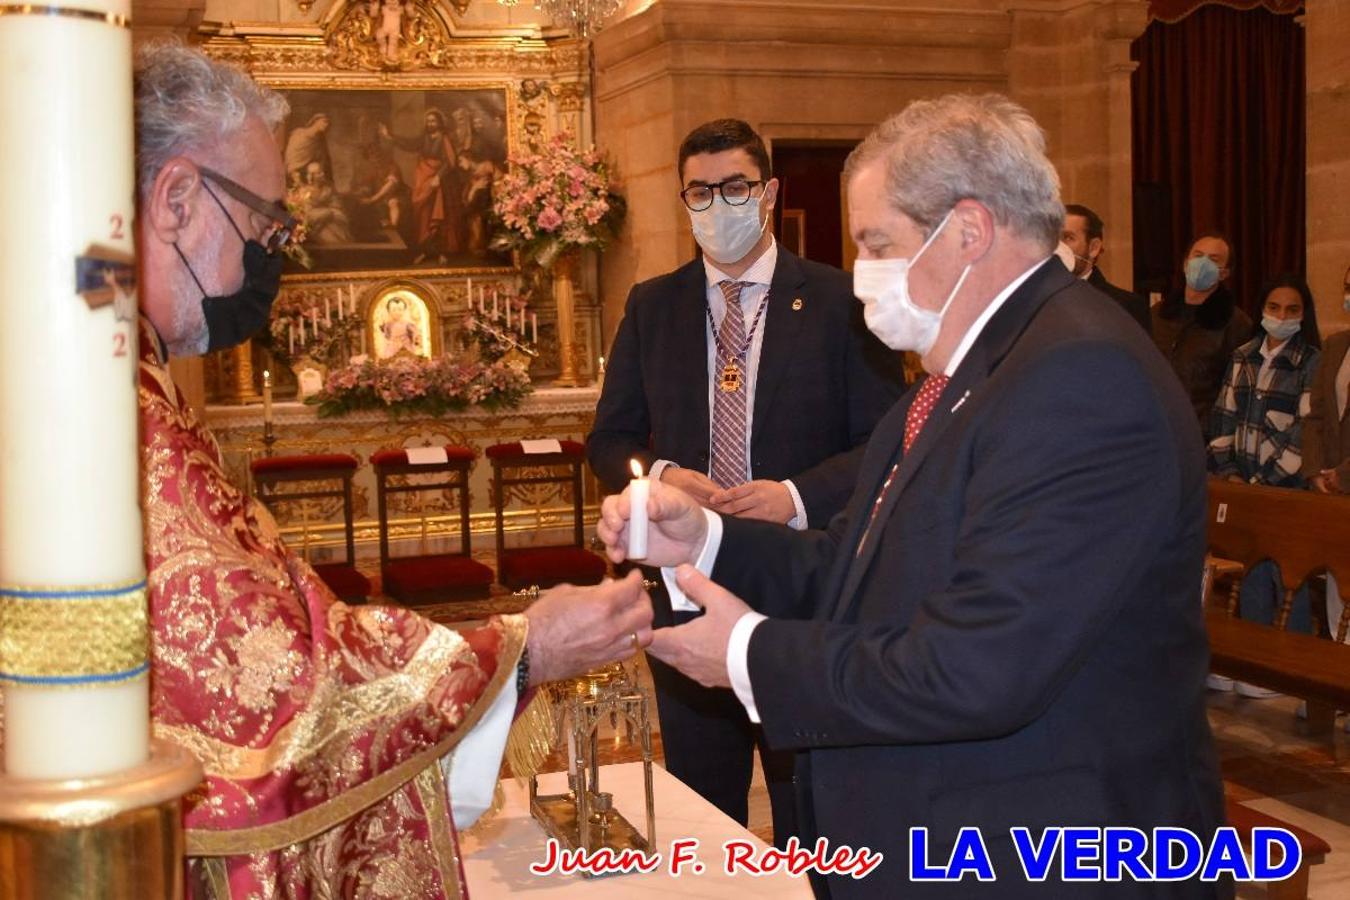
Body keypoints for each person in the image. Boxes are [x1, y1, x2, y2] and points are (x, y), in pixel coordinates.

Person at [599, 94, 1227, 897]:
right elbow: (856, 568)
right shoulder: (966, 369)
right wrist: (708, 541)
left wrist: (748, 654)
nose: (863, 270)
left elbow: (981, 664)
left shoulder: (1080, 376)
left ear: (968, 232)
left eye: (878, 243)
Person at [131, 44, 652, 898]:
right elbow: (278, 696)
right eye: (266, 224)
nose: (272, 254)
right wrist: (521, 647)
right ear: (176, 198)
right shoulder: (121, 407)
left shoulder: (130, 376)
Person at [586, 118, 903, 844]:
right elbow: (608, 438)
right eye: (699, 191)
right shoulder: (653, 304)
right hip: (688, 581)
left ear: (768, 193)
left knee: (807, 801)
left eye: (734, 187)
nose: (716, 204)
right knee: (702, 808)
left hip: (802, 588)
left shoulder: (838, 301)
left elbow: (886, 443)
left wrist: (793, 497)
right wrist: (663, 476)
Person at [1206, 277, 1321, 671]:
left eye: (1292, 310)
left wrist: (1263, 485)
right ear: (1262, 310)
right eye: (1274, 308)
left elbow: (1305, 432)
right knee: (1250, 569)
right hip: (1242, 483)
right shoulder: (1243, 356)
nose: (1281, 316)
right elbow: (1223, 419)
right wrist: (1232, 475)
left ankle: (1299, 663)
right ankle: (1258, 666)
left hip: (1285, 488)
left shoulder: (1310, 361)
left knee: (1289, 575)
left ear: (1303, 315)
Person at [1152, 232, 1253, 433]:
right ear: (1185, 263)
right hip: (1155, 426)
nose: (1203, 263)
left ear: (1224, 273)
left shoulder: (1235, 323)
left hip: (1202, 432)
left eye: (1213, 259)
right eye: (1198, 256)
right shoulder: (1158, 314)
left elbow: (1238, 390)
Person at [1302, 264, 1350, 646]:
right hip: (1331, 486)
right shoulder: (1335, 345)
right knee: (1338, 579)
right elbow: (1315, 412)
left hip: (1345, 477)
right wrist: (1316, 469)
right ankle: (1338, 671)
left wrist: (1344, 473)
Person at [381, 110, 465, 265]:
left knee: (439, 216)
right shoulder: (425, 138)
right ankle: (426, 251)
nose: (430, 124)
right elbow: (410, 144)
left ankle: (442, 253)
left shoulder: (444, 138)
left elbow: (450, 162)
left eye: (433, 121)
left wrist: (438, 177)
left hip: (441, 184)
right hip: (424, 180)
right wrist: (391, 136)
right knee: (423, 216)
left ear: (439, 122)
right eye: (428, 121)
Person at [1061, 202, 1151, 333]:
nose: (1057, 247)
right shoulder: (1032, 300)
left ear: (1094, 248)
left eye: (1068, 238)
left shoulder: (1125, 306)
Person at [282, 112, 331, 188]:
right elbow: (291, 158)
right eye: (324, 121)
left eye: (328, 123)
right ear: (316, 121)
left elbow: (323, 160)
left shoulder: (320, 140)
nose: (326, 125)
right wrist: (299, 182)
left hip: (311, 178)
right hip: (294, 176)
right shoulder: (299, 135)